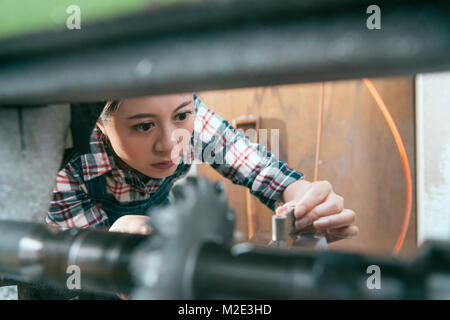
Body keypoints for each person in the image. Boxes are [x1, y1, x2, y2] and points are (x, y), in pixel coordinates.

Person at [46, 93, 358, 242]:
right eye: (143, 126)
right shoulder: (65, 168)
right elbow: (81, 262)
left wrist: (306, 198)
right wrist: (115, 245)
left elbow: (256, 165)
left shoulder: (188, 120)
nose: (171, 144)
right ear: (102, 124)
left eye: (182, 116)